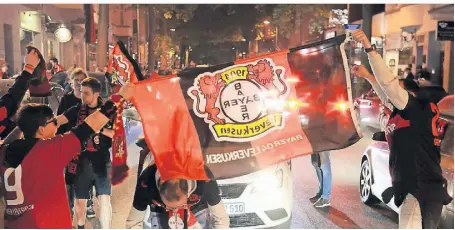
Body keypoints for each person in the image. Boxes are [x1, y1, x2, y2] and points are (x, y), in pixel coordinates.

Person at [351, 29, 452, 229]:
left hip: (418, 190)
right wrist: (368, 77)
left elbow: (388, 87)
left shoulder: (415, 109)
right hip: (419, 188)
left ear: (408, 94)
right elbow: (386, 93)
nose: (392, 93)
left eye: (399, 88)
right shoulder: (412, 113)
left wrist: (369, 49)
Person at [0, 77, 128, 228]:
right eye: (53, 122)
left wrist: (23, 122)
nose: (56, 124)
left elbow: (7, 141)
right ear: (41, 129)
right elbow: (89, 126)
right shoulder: (51, 149)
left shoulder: (4, 150)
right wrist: (121, 96)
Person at [58, 77, 115, 229]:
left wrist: (99, 128)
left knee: (104, 200)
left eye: (86, 93)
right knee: (80, 201)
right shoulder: (76, 110)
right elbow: (58, 120)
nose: (82, 96)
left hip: (102, 160)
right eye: (81, 92)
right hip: (81, 160)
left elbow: (117, 133)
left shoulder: (109, 111)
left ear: (97, 94)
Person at [126, 164, 230, 229]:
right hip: (160, 211)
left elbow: (221, 219)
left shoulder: (203, 178)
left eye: (179, 205)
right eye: (170, 207)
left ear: (188, 192)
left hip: (197, 209)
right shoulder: (147, 182)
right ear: (159, 187)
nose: (175, 212)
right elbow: (133, 223)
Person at [56, 68, 96, 219]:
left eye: (82, 81)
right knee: (70, 176)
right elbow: (59, 121)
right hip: (69, 143)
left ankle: (89, 203)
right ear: (71, 83)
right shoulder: (67, 100)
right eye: (76, 81)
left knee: (87, 173)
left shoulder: (91, 100)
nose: (79, 84)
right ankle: (70, 206)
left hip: (88, 143)